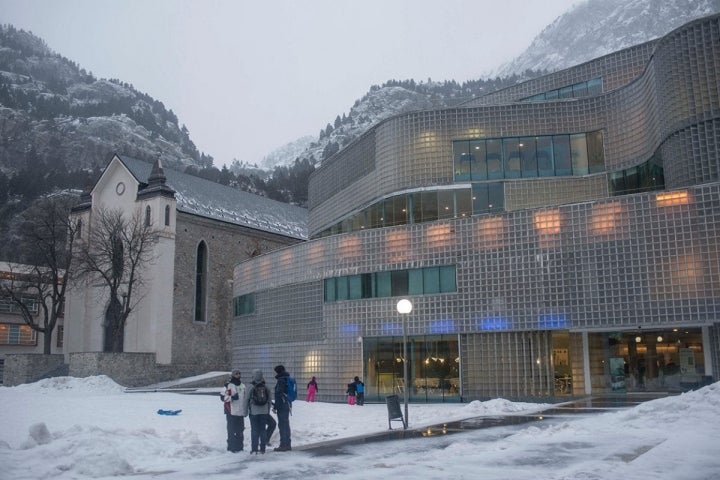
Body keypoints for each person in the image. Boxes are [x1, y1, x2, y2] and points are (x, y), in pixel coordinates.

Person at [246, 369, 273, 454]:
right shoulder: (266, 386)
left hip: (254, 412)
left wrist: (245, 411)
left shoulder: (250, 386)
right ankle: (262, 449)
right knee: (263, 430)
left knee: (254, 430)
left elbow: (246, 399)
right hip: (264, 412)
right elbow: (269, 400)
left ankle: (254, 449)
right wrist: (267, 411)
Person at [220, 369, 247, 452]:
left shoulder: (242, 385)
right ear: (233, 375)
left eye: (239, 373)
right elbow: (222, 397)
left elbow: (245, 397)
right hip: (230, 411)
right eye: (236, 374)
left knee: (240, 429)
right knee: (231, 430)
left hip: (240, 411)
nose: (238, 375)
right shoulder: (228, 385)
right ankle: (231, 447)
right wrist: (231, 398)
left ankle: (239, 446)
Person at [272, 364, 292, 451]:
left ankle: (283, 445)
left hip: (282, 405)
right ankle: (288, 444)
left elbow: (278, 394)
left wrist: (275, 407)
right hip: (287, 404)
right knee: (286, 424)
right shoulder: (287, 378)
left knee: (282, 425)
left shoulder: (281, 380)